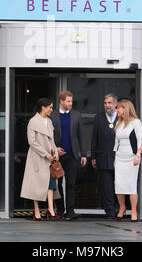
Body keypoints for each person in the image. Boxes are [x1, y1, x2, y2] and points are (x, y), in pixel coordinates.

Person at [20, 97, 61, 221]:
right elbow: (32, 142)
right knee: (36, 185)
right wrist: (45, 154)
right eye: (50, 107)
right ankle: (36, 211)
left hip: (49, 158)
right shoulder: (33, 121)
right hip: (37, 157)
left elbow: (52, 140)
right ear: (43, 107)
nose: (51, 110)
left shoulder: (49, 121)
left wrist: (55, 153)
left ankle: (50, 209)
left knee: (51, 183)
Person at [50, 90, 87, 221]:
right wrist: (54, 149)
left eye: (71, 101)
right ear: (61, 101)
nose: (71, 103)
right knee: (58, 184)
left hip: (72, 155)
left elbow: (81, 135)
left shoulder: (76, 115)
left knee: (71, 183)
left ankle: (70, 211)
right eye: (68, 101)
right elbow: (48, 136)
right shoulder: (52, 115)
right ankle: (60, 210)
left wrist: (83, 154)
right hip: (57, 156)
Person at [113, 99, 142, 222]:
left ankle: (134, 211)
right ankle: (122, 207)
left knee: (131, 185)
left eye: (118, 108)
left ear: (125, 109)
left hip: (132, 158)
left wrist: (138, 155)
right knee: (118, 184)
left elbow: (140, 140)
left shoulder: (136, 122)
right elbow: (116, 142)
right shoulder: (118, 123)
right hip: (120, 157)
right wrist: (115, 157)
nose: (117, 110)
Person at [91, 94, 119, 218]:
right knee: (106, 187)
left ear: (115, 104)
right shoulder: (99, 117)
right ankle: (110, 211)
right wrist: (93, 157)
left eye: (109, 103)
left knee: (119, 185)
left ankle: (120, 209)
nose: (107, 105)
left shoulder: (122, 116)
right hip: (102, 157)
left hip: (119, 158)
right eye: (105, 103)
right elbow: (94, 138)